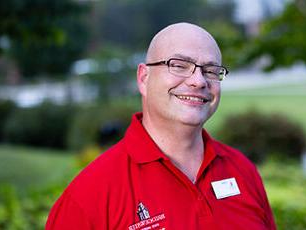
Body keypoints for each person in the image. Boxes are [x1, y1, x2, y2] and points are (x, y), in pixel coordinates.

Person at [46, 22, 276, 230]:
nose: (199, 81)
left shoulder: (243, 170)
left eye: (211, 70)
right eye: (179, 65)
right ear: (143, 78)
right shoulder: (89, 194)